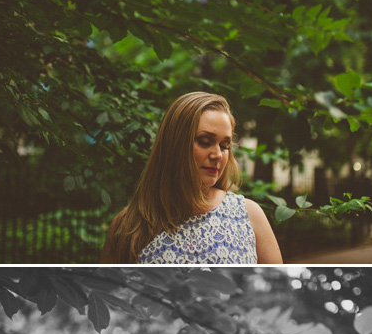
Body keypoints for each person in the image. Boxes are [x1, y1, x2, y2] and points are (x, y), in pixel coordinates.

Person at [99, 91, 283, 263]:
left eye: (225, 145)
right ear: (175, 143)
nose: (218, 154)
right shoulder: (129, 225)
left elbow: (278, 291)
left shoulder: (249, 215)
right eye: (205, 141)